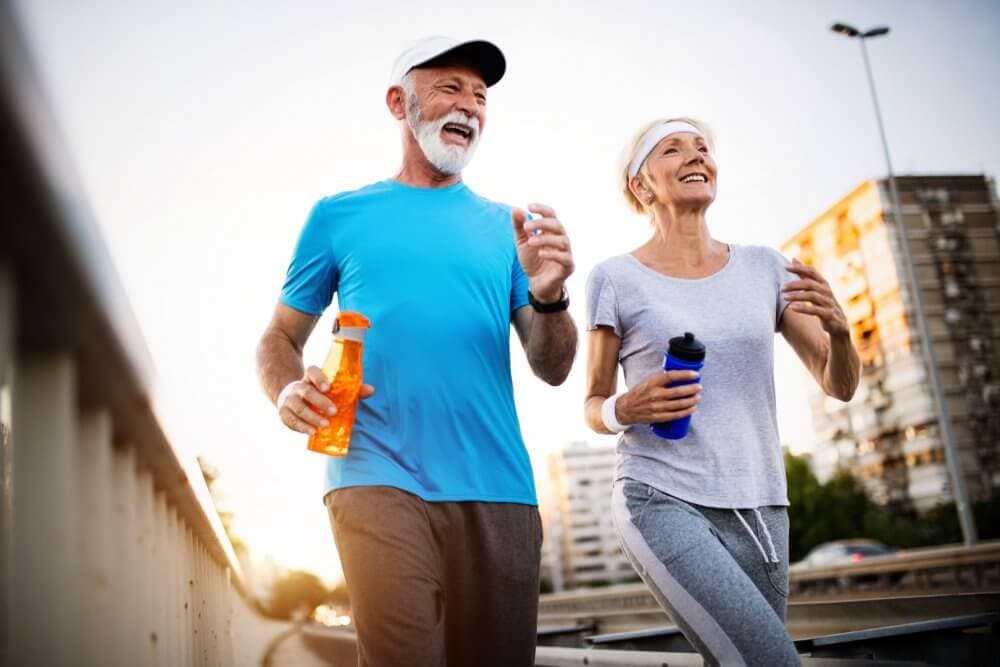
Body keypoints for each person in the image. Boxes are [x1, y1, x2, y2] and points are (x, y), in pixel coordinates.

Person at [255, 36, 577, 666]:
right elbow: (278, 339)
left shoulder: (509, 227)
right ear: (399, 101)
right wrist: (287, 389)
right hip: (375, 475)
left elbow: (554, 366)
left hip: (499, 490)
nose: (470, 106)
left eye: (480, 96)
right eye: (450, 88)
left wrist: (550, 295)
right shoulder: (338, 216)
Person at [584, 117, 860, 666]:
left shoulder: (767, 267)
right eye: (673, 149)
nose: (696, 156)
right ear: (641, 185)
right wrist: (625, 407)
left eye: (703, 148)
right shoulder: (615, 278)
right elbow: (593, 406)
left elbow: (839, 384)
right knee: (769, 661)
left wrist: (841, 330)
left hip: (761, 504)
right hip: (659, 495)